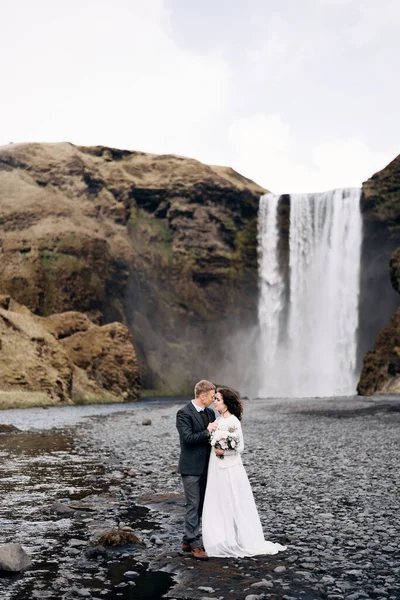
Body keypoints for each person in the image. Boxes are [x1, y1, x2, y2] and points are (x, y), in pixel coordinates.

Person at [202, 387, 287, 558]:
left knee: (232, 499)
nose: (215, 402)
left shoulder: (233, 422)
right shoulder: (218, 420)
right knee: (218, 500)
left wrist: (223, 451)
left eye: (218, 399)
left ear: (226, 403)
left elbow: (240, 447)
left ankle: (237, 539)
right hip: (216, 467)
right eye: (215, 399)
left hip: (230, 467)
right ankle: (223, 538)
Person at [176, 379, 216, 560]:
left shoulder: (210, 413)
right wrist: (208, 431)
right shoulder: (183, 413)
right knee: (193, 504)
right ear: (202, 395)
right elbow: (188, 439)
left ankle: (187, 539)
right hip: (191, 467)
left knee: (201, 505)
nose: (214, 399)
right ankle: (194, 544)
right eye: (212, 396)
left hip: (208, 466)